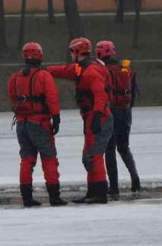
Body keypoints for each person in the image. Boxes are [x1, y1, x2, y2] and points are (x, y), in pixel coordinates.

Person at [47, 37, 114, 204]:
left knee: (95, 155)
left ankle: (100, 193)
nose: (70, 55)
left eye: (71, 52)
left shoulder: (91, 71)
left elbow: (100, 94)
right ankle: (92, 192)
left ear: (77, 52)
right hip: (91, 116)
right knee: (88, 155)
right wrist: (46, 70)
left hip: (99, 116)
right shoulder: (82, 68)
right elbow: (65, 70)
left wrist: (97, 116)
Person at [7, 42, 67, 207]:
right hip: (39, 122)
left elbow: (12, 98)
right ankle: (54, 196)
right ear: (40, 56)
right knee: (49, 158)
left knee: (26, 159)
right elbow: (52, 97)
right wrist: (56, 117)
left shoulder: (14, 77)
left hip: (22, 123)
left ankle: (26, 197)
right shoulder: (44, 76)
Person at [96, 39, 141, 197]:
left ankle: (113, 186)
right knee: (123, 147)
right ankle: (135, 178)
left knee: (110, 148)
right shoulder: (126, 68)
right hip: (126, 111)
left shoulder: (103, 70)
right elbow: (133, 92)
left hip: (111, 111)